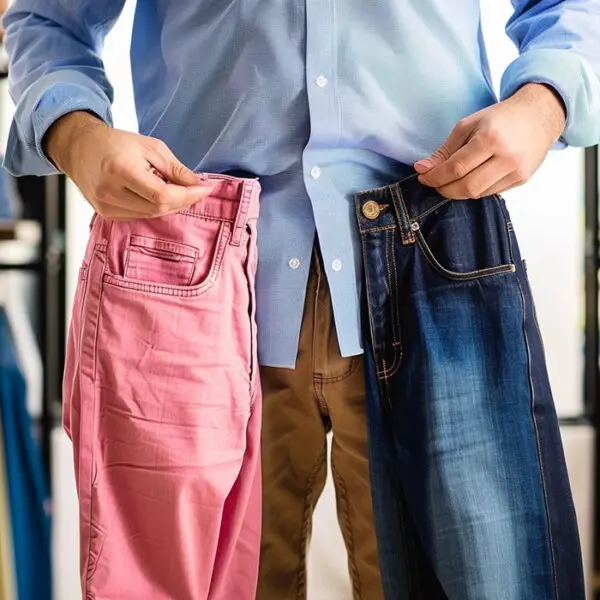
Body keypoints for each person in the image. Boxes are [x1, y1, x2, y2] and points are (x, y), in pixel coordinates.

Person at [3, 1, 600, 599]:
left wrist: (545, 102)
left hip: (434, 256)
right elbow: (47, 18)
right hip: (200, 273)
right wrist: (76, 136)